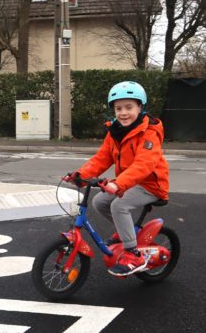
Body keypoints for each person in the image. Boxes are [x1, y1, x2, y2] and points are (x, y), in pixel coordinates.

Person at [65, 81, 169, 276]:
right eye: (118, 108)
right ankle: (126, 232)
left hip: (150, 185)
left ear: (140, 107)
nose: (123, 113)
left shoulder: (149, 133)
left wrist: (118, 183)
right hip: (129, 182)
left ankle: (133, 254)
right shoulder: (115, 132)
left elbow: (144, 165)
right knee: (99, 202)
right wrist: (81, 175)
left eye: (129, 107)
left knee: (118, 206)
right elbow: (102, 158)